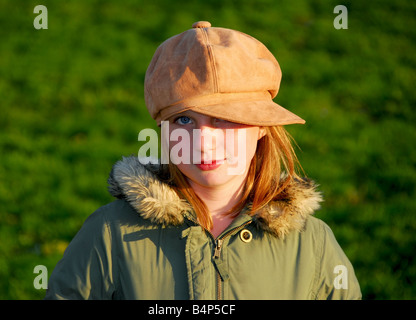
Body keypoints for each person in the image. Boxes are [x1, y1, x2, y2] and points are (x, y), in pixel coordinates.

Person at [45, 21, 361, 300]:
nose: (204, 141)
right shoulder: (110, 234)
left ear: (263, 125)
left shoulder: (312, 244)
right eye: (184, 120)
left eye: (225, 118)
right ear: (163, 130)